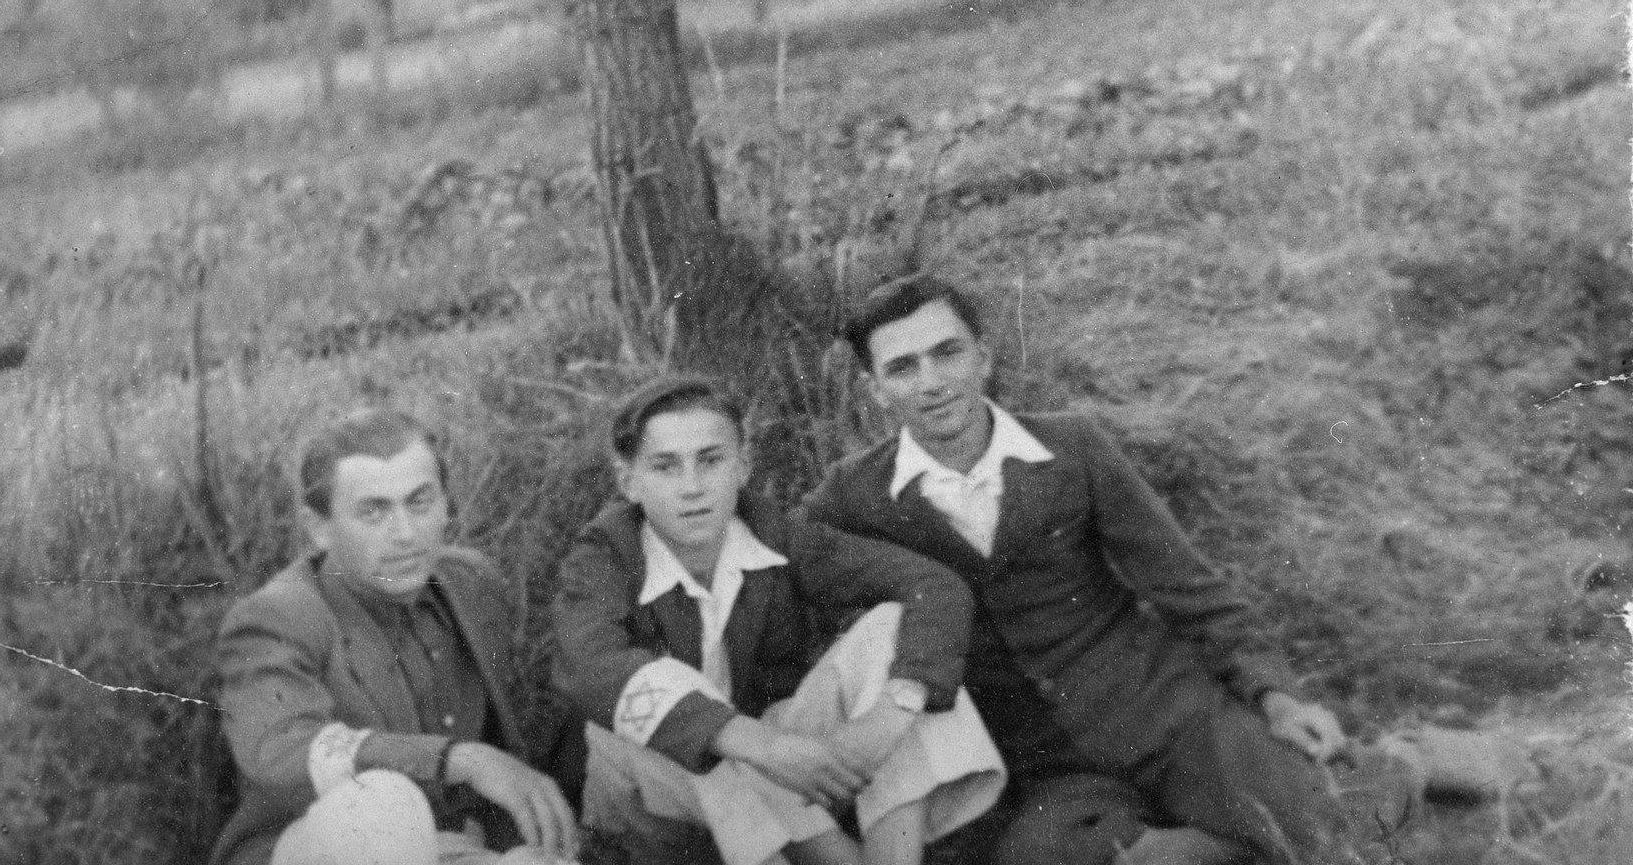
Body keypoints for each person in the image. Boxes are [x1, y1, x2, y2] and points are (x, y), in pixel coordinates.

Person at [805, 274, 1354, 865]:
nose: (933, 383)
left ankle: (1415, 759)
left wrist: (1275, 695)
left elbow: (1188, 587)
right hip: (1046, 768)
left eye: (948, 353)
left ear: (983, 357)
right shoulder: (854, 495)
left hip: (1163, 713)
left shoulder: (1073, 447)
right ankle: (1199, 846)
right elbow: (777, 544)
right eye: (903, 367)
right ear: (875, 390)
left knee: (1322, 826)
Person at [553, 374, 1006, 865]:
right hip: (654, 812)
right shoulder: (605, 555)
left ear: (743, 465)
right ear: (628, 482)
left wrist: (889, 715)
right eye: (665, 467)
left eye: (711, 460)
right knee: (675, 697)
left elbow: (934, 586)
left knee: (888, 632)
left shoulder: (774, 535)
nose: (692, 488)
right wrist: (763, 746)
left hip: (777, 785)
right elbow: (590, 666)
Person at [211, 408, 580, 865]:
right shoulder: (276, 616)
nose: (405, 534)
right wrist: (457, 760)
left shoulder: (472, 582)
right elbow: (282, 749)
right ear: (319, 528)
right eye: (373, 511)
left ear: (446, 503)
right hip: (322, 845)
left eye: (420, 502)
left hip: (456, 845)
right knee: (380, 803)